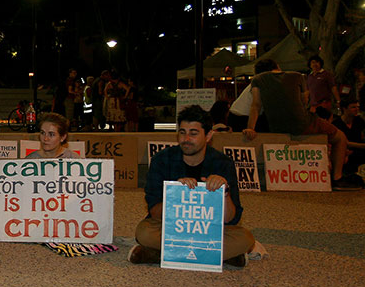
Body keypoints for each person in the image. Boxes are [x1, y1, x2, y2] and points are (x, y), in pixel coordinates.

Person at [129, 105, 255, 267]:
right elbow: (154, 212)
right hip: (172, 228)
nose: (186, 139)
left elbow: (231, 218)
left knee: (245, 239)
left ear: (208, 135)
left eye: (193, 133)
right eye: (182, 133)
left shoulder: (223, 163)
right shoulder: (162, 160)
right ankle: (220, 256)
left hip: (209, 231)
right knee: (144, 232)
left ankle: (158, 255)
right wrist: (176, 194)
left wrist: (224, 192)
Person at [244, 59, 361, 191]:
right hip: (302, 123)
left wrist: (250, 128)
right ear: (277, 66)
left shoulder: (257, 80)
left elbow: (256, 105)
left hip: (276, 126)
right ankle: (337, 178)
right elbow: (305, 100)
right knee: (340, 137)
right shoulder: (298, 76)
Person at [332, 97, 365, 179]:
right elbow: (342, 142)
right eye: (353, 107)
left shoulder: (359, 121)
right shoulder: (336, 124)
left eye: (357, 107)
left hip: (358, 151)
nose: (356, 109)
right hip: (344, 152)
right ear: (344, 109)